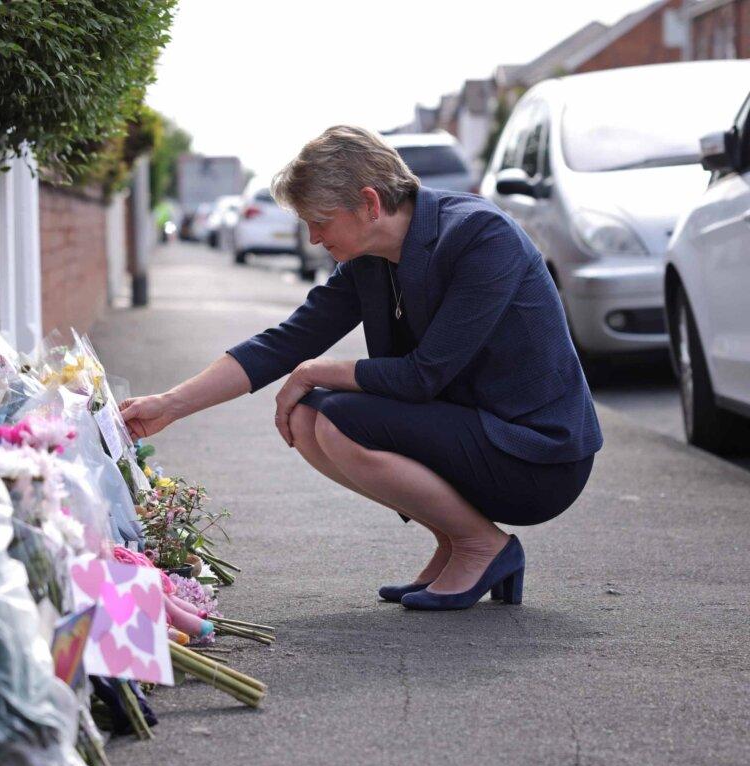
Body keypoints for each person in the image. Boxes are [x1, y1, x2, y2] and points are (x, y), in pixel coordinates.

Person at [119, 126, 602, 611]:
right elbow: (284, 342)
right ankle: (457, 542)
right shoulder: (371, 261)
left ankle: (483, 547)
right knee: (309, 418)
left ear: (370, 203)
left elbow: (423, 376)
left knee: (336, 419)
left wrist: (314, 371)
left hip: (536, 454)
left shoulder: (480, 236)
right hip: (473, 432)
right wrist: (169, 405)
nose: (312, 236)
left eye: (321, 220)